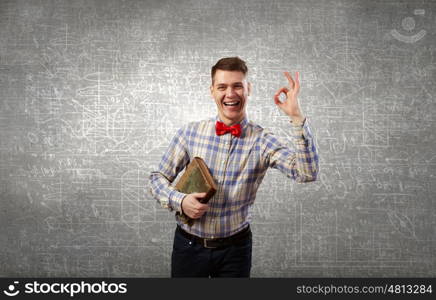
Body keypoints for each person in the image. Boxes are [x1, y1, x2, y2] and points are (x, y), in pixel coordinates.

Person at [149, 57, 319, 277]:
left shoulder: (263, 140)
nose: (230, 94)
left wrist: (296, 117)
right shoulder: (190, 133)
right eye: (222, 87)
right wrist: (180, 201)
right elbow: (156, 178)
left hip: (236, 250)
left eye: (237, 86)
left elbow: (307, 173)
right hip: (188, 247)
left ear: (248, 89)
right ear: (212, 91)